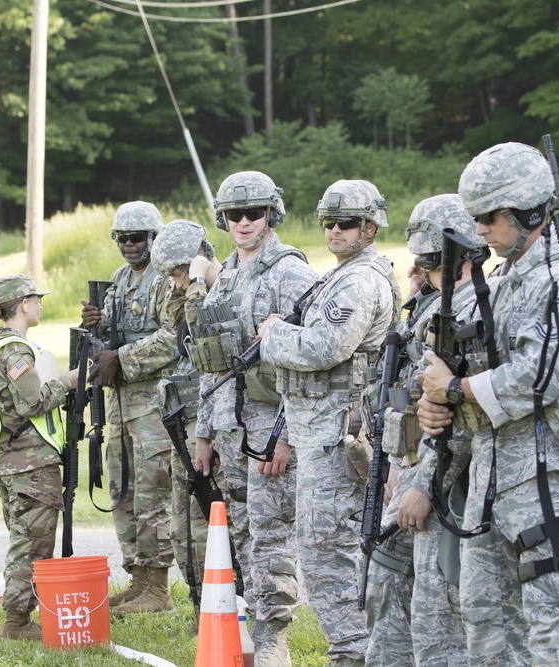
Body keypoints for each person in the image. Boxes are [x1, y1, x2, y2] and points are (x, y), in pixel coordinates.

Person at [421, 142, 559, 666]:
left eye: (488, 217)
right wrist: (440, 401)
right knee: (488, 628)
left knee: (552, 633)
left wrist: (457, 391)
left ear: (526, 211)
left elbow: (538, 377)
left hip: (546, 481)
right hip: (494, 480)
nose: (479, 230)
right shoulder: (508, 279)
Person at [259, 180, 400, 667]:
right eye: (328, 223)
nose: (335, 232)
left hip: (335, 437)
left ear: (370, 227)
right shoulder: (342, 275)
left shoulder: (360, 281)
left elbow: (323, 348)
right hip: (318, 432)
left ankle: (354, 652)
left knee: (325, 554)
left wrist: (274, 333)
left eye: (346, 224)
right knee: (327, 549)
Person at [187, 172, 317, 667]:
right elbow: (211, 360)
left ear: (272, 214)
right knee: (242, 532)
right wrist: (204, 431)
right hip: (229, 429)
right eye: (233, 215)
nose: (243, 222)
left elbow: (307, 364)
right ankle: (256, 626)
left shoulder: (290, 273)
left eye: (254, 213)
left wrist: (285, 438)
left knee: (270, 536)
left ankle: (273, 639)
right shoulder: (231, 274)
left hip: (268, 433)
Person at [370, 194, 492, 666]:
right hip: (414, 470)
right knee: (397, 590)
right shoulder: (433, 306)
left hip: (445, 486)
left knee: (440, 616)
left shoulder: (468, 311)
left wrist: (420, 482)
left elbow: (457, 424)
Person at [80, 201, 178, 614]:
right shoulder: (120, 279)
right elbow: (116, 338)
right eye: (122, 238)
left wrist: (121, 358)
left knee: (153, 493)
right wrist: (96, 326)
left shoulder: (165, 280)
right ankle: (138, 580)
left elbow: (175, 338)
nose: (129, 245)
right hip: (119, 406)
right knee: (123, 492)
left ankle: (158, 590)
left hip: (153, 406)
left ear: (154, 239)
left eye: (137, 238)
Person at [0, 274, 78, 640]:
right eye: (35, 298)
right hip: (29, 465)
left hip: (14, 463)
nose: (39, 304)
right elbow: (32, 402)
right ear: (22, 305)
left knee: (25, 539)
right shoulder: (14, 351)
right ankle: (16, 622)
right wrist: (68, 380)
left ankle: (20, 616)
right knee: (32, 543)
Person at [149, 218, 228, 633]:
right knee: (184, 529)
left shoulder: (226, 288)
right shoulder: (185, 296)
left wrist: (198, 281)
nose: (178, 285)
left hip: (214, 426)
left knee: (211, 521)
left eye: (180, 274)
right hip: (187, 424)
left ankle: (231, 609)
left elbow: (206, 336)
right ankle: (204, 612)